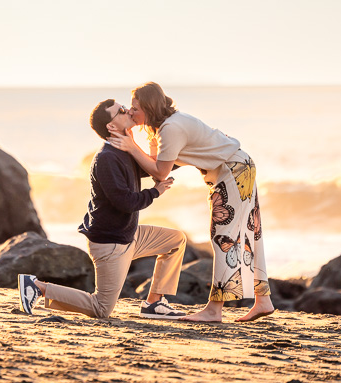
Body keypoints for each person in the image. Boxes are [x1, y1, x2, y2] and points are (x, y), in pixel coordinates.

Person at [108, 82, 274, 323]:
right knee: (249, 233)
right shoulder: (163, 127)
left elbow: (160, 173)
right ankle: (263, 300)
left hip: (232, 171)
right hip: (238, 166)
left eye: (135, 108)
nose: (131, 112)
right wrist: (134, 142)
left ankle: (213, 311)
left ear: (149, 107)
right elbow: (156, 164)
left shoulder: (171, 128)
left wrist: (132, 147)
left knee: (223, 237)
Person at [18, 98, 188, 320]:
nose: (128, 111)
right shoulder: (106, 158)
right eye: (121, 111)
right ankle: (37, 287)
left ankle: (154, 303)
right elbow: (126, 202)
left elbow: (154, 167)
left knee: (176, 241)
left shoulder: (124, 150)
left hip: (130, 235)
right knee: (101, 308)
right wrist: (155, 192)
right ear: (111, 126)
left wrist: (192, 153)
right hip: (110, 243)